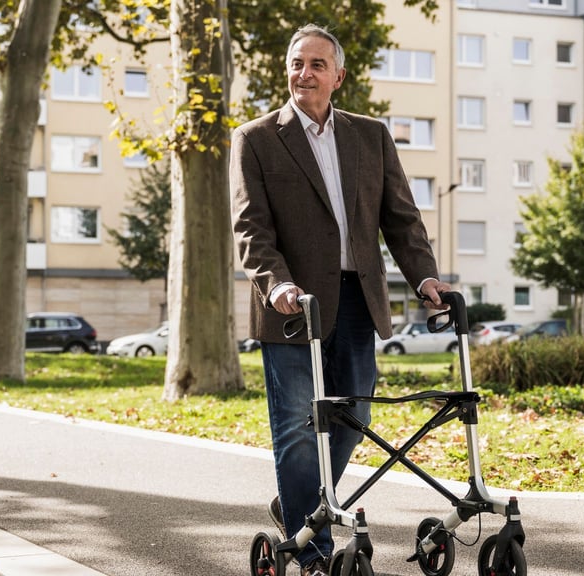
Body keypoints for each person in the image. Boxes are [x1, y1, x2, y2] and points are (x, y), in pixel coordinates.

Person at [230, 23, 451, 576]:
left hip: (357, 298)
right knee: (299, 425)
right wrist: (274, 282)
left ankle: (298, 504)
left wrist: (426, 278)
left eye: (316, 65)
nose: (304, 73)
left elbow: (401, 218)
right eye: (296, 63)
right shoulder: (256, 137)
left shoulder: (370, 135)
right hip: (291, 305)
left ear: (339, 76)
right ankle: (312, 549)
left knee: (355, 416)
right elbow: (251, 227)